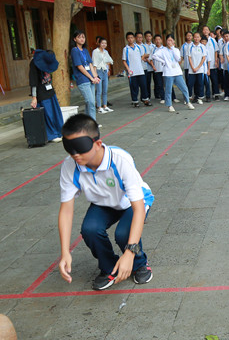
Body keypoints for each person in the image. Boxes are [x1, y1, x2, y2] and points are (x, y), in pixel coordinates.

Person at [58, 114, 154, 290]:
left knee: (123, 234)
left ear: (97, 144)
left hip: (132, 202)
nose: (75, 154)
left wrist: (130, 253)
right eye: (69, 148)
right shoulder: (69, 167)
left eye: (80, 147)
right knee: (90, 229)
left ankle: (140, 263)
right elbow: (66, 210)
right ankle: (109, 267)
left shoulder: (120, 160)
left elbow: (138, 209)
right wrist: (65, 252)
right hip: (103, 203)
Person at [151, 34, 195, 112]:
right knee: (168, 90)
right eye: (168, 40)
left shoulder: (176, 50)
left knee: (184, 88)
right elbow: (154, 56)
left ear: (174, 41)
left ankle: (188, 102)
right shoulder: (163, 50)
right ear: (166, 41)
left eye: (171, 40)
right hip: (168, 72)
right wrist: (163, 61)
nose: (169, 42)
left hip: (177, 72)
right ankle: (169, 105)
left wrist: (173, 49)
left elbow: (178, 58)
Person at [29, 49, 63, 143]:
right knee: (48, 114)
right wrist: (34, 98)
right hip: (41, 93)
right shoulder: (34, 64)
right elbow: (33, 82)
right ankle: (52, 135)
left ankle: (59, 132)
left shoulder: (48, 60)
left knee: (56, 112)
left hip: (50, 90)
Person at [70, 30, 100, 120]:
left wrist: (95, 77)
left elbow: (90, 64)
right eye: (79, 37)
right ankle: (92, 123)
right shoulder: (74, 51)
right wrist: (91, 77)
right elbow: (80, 66)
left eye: (83, 37)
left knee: (89, 102)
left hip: (90, 79)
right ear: (74, 39)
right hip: (83, 79)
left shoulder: (85, 50)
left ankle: (87, 122)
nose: (82, 39)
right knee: (90, 102)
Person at [122, 31, 149, 107]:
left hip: (140, 70)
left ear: (134, 38)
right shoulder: (126, 49)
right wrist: (128, 69)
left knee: (143, 85)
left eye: (131, 37)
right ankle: (135, 101)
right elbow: (124, 60)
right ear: (127, 39)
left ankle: (145, 99)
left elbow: (141, 57)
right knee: (134, 87)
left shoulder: (138, 47)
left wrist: (145, 57)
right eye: (129, 38)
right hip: (132, 71)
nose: (130, 39)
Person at [92, 37, 113, 114]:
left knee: (105, 90)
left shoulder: (106, 52)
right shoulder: (95, 51)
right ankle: (99, 107)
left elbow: (109, 61)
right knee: (99, 90)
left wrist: (108, 70)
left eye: (105, 43)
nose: (104, 44)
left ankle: (105, 105)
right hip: (98, 71)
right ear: (99, 43)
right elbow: (94, 63)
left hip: (104, 71)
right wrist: (95, 75)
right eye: (102, 43)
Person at [187, 31, 207, 104]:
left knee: (200, 83)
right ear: (193, 38)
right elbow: (189, 58)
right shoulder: (190, 46)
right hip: (192, 69)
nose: (196, 38)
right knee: (190, 84)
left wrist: (198, 67)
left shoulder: (202, 47)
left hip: (200, 69)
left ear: (200, 38)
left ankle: (199, 97)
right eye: (195, 37)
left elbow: (203, 58)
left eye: (198, 37)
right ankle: (188, 97)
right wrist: (193, 67)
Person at [150, 34, 166, 103]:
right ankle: (163, 98)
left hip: (165, 69)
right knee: (160, 84)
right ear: (154, 41)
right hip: (157, 69)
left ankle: (172, 97)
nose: (157, 41)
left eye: (159, 39)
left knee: (168, 84)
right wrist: (153, 66)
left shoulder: (165, 49)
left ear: (161, 40)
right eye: (156, 40)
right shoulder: (153, 49)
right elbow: (150, 59)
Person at [142, 31, 156, 99]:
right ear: (145, 37)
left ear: (151, 37)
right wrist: (150, 62)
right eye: (147, 36)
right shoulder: (143, 46)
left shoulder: (154, 46)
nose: (148, 37)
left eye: (149, 36)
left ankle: (157, 94)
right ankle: (148, 96)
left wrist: (153, 64)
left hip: (155, 66)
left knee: (156, 81)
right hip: (147, 67)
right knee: (147, 82)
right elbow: (144, 56)